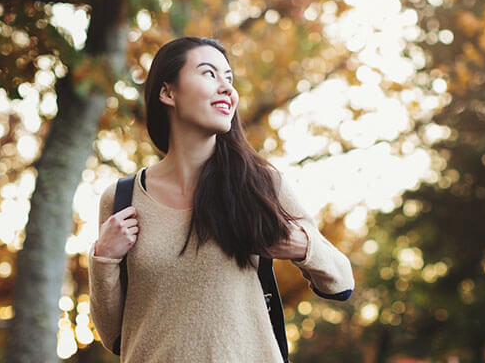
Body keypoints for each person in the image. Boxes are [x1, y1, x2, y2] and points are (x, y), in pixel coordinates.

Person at [88, 36, 354, 362]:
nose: (227, 88)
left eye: (229, 78)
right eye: (209, 74)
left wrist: (301, 246)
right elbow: (113, 334)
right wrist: (104, 258)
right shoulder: (122, 199)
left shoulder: (261, 184)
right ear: (167, 92)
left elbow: (341, 280)